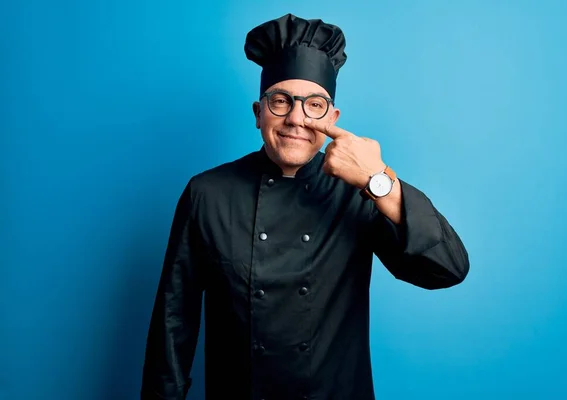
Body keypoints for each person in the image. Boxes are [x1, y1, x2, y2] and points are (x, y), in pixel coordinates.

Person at [140, 13, 470, 400]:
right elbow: (173, 321)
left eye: (314, 105)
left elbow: (447, 269)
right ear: (258, 113)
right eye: (280, 101)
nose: (296, 118)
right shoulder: (208, 193)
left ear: (332, 118)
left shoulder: (359, 193)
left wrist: (378, 178)